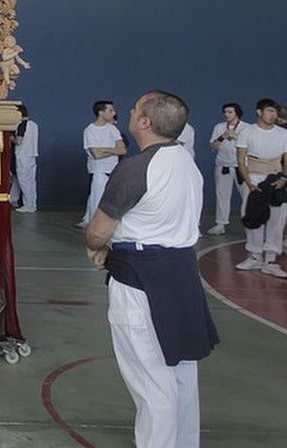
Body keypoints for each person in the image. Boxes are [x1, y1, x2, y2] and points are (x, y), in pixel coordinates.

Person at [84, 90, 219, 448]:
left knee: (152, 381)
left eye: (134, 109)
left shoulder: (136, 168)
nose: (128, 112)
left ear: (144, 122)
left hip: (142, 280)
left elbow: (98, 229)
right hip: (182, 275)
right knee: (181, 376)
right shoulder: (186, 163)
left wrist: (97, 248)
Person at [235, 98, 287, 277]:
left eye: (275, 112)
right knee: (252, 214)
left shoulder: (282, 134)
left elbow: (286, 159)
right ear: (260, 112)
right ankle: (255, 255)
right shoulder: (247, 132)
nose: (273, 115)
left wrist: (284, 179)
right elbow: (241, 160)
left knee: (277, 216)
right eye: (270, 111)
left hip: (276, 177)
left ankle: (270, 259)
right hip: (254, 177)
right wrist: (249, 182)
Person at [79, 100, 126, 228]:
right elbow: (96, 155)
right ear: (101, 112)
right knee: (96, 202)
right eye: (110, 110)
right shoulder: (90, 130)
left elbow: (122, 149)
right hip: (99, 172)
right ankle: (95, 226)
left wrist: (105, 149)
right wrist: (112, 150)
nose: (114, 113)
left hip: (113, 171)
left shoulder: (113, 129)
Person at [206, 102, 249, 235]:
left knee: (247, 196)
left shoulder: (247, 128)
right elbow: (213, 147)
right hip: (223, 165)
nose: (227, 114)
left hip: (241, 165)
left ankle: (249, 223)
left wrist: (237, 137)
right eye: (225, 112)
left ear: (237, 112)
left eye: (230, 112)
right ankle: (220, 224)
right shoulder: (219, 127)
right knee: (222, 195)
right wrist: (223, 136)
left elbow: (251, 146)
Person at [10, 104, 39, 212]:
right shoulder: (34, 125)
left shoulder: (21, 125)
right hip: (32, 155)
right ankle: (30, 203)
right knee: (31, 181)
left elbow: (18, 141)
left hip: (22, 155)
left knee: (24, 181)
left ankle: (29, 205)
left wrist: (11, 138)